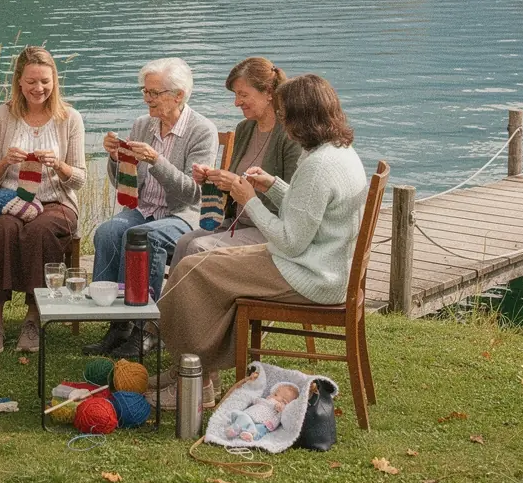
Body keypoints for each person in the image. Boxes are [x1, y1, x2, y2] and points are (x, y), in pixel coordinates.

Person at [156, 73, 368, 410]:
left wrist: (250, 198)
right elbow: (311, 214)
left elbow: (289, 242)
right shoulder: (341, 153)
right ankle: (196, 373)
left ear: (301, 118)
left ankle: (191, 380)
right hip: (322, 267)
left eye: (285, 116)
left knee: (196, 271)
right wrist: (275, 186)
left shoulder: (317, 167)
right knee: (199, 265)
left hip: (308, 274)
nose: (284, 124)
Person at [85, 57, 218, 358]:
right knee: (108, 232)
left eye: (154, 93)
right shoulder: (142, 125)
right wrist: (116, 159)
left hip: (182, 216)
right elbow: (125, 184)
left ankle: (145, 328)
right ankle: (117, 325)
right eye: (145, 92)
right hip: (144, 208)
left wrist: (156, 162)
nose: (147, 99)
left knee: (144, 237)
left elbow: (194, 193)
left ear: (179, 95)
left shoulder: (202, 131)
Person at [0, 46, 85, 353]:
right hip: (9, 199)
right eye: (32, 82)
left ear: (55, 82)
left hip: (56, 202)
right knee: (2, 229)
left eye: (45, 82)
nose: (39, 88)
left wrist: (59, 166)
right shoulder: (0, 116)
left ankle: (33, 318)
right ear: (19, 82)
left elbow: (79, 178)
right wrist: (4, 163)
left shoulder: (69, 118)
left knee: (40, 229)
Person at [170, 57, 302, 266]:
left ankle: (198, 298)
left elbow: (292, 200)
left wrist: (234, 181)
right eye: (235, 95)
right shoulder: (245, 129)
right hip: (238, 222)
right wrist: (212, 178)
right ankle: (176, 299)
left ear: (268, 92)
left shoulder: (289, 135)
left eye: (243, 94)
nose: (236, 102)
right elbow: (235, 185)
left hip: (271, 229)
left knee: (199, 248)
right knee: (184, 242)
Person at [225, 382, 299, 442]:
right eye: (274, 394)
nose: (273, 395)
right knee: (242, 417)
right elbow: (256, 400)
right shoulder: (266, 400)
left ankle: (250, 435)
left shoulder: (280, 409)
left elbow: (282, 416)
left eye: (284, 402)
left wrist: (281, 408)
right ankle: (234, 430)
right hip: (251, 414)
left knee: (260, 429)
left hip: (263, 422)